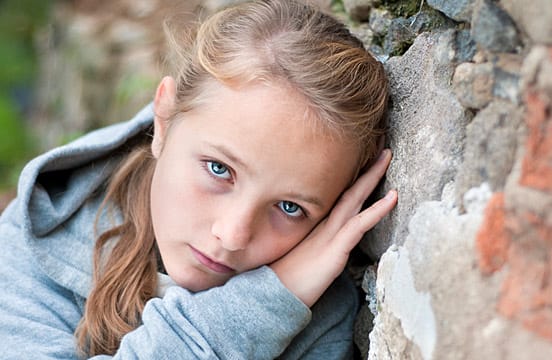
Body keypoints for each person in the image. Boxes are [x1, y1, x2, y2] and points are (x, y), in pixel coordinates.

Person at [0, 0, 397, 358]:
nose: (233, 235)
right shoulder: (38, 236)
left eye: (290, 207)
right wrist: (259, 309)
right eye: (219, 169)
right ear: (165, 117)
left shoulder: (321, 315)